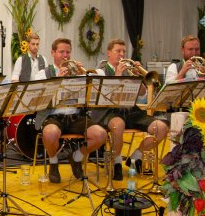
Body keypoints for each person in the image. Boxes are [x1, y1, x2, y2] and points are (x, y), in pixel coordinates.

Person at [93, 39, 169, 179]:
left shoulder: (129, 71)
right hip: (110, 112)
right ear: (109, 53)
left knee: (161, 128)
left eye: (124, 51)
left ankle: (136, 156)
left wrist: (139, 76)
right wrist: (118, 76)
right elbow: (103, 95)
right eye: (118, 51)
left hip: (132, 111)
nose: (122, 55)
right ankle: (116, 162)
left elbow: (142, 94)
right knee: (118, 125)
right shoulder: (100, 71)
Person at [34, 38, 107, 183]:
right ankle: (53, 162)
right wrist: (57, 80)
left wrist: (83, 75)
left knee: (100, 135)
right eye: (61, 52)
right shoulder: (42, 74)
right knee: (50, 133)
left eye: (68, 52)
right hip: (53, 116)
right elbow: (40, 100)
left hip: (75, 116)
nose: (65, 56)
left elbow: (95, 89)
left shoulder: (77, 72)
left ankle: (76, 157)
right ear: (52, 53)